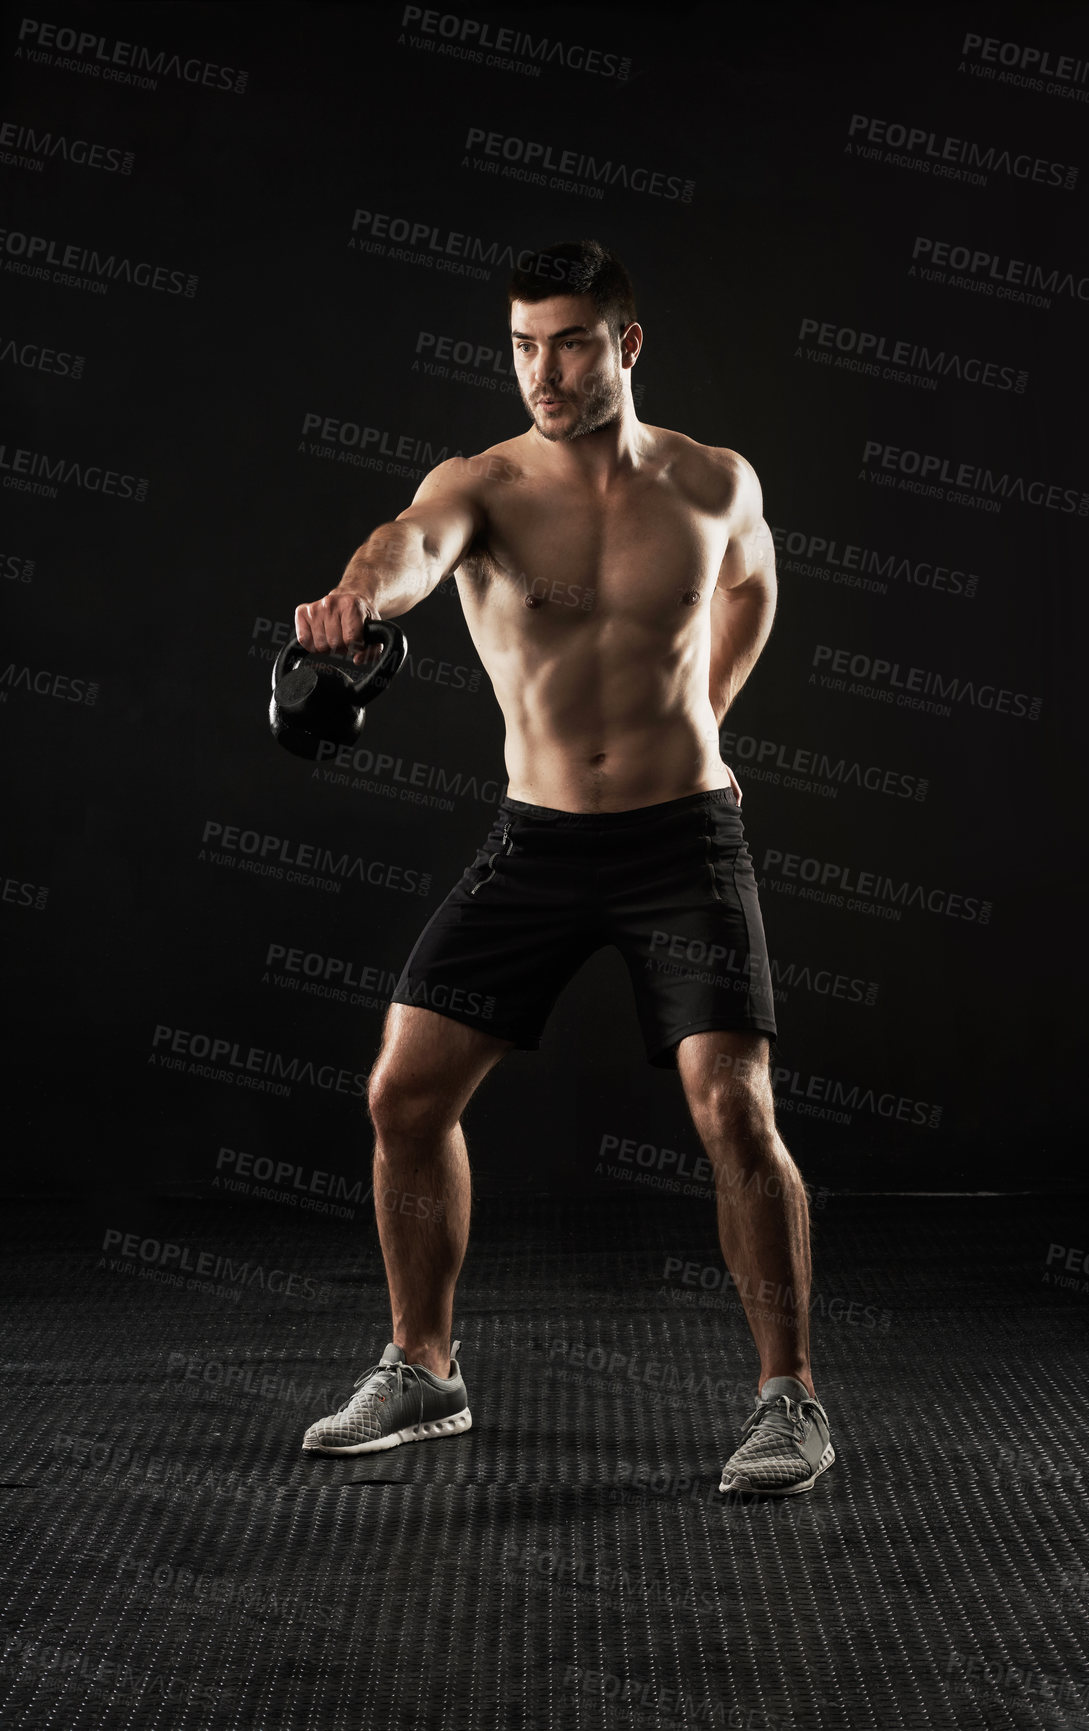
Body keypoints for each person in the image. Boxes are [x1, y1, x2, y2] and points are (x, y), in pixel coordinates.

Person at [293, 239, 834, 1495]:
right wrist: (356, 598)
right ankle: (424, 1370)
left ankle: (791, 1398)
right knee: (401, 1098)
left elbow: (753, 590)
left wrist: (709, 711)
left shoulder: (715, 484)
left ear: (627, 345)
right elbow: (409, 546)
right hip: (536, 840)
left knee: (734, 1112)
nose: (545, 370)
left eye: (573, 341)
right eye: (526, 344)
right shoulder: (481, 485)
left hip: (681, 836)